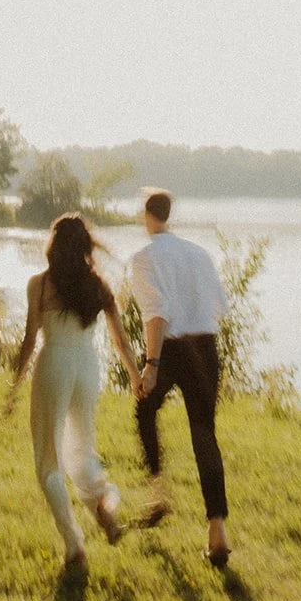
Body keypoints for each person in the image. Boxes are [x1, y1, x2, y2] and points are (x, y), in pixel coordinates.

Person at [7, 214, 141, 569]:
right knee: (83, 447)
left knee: (49, 461)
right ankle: (102, 504)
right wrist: (135, 376)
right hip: (87, 366)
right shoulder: (98, 284)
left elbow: (30, 339)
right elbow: (119, 339)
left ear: (53, 245)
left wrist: (14, 385)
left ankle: (74, 545)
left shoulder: (40, 284)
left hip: (55, 364)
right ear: (86, 246)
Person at [130, 191, 232, 568]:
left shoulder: (144, 258)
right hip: (205, 348)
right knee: (204, 434)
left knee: (144, 410)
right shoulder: (199, 254)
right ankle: (217, 532)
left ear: (146, 215)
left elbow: (156, 313)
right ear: (168, 215)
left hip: (169, 350)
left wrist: (151, 364)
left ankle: (157, 493)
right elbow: (220, 306)